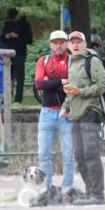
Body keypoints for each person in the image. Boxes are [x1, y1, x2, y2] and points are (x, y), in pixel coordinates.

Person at [59, 31, 105, 205]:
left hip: (91, 111)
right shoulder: (72, 62)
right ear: (69, 46)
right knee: (79, 155)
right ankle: (89, 192)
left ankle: (97, 194)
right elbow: (71, 91)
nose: (76, 45)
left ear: (85, 44)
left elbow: (103, 85)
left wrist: (82, 92)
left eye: (79, 41)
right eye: (72, 42)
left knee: (91, 153)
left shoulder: (92, 61)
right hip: (76, 113)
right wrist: (65, 107)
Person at [34, 30, 76, 195]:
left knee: (68, 154)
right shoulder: (43, 61)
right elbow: (38, 84)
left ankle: (67, 188)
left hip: (67, 112)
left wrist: (50, 82)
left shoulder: (73, 61)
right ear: (51, 44)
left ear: (66, 44)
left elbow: (74, 83)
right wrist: (62, 81)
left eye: (61, 42)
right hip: (47, 113)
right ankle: (46, 188)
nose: (58, 45)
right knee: (43, 154)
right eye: (55, 42)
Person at [0, 7, 33, 103]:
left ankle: (18, 99)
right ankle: (6, 97)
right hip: (8, 53)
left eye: (13, 18)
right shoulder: (8, 24)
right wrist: (7, 36)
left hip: (20, 53)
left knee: (20, 76)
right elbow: (2, 38)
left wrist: (18, 36)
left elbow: (29, 40)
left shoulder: (25, 25)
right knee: (7, 76)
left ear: (17, 16)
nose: (12, 20)